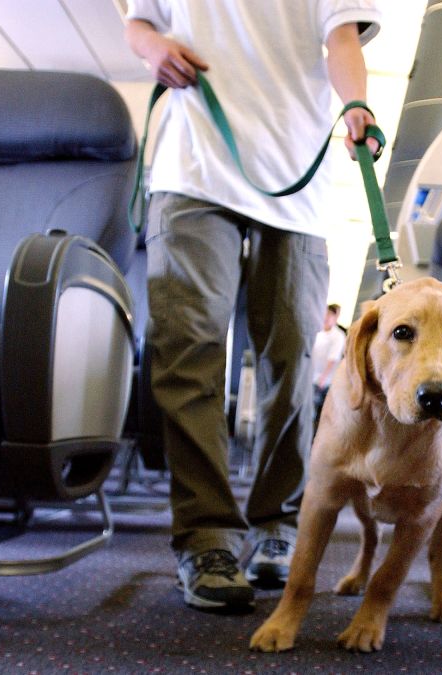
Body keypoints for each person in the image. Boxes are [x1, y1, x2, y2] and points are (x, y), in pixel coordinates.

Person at [123, 0, 382, 613]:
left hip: (297, 181)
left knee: (290, 362)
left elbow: (342, 39)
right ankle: (206, 537)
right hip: (193, 171)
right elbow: (139, 21)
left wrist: (357, 104)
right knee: (189, 354)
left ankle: (278, 527)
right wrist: (151, 49)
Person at [311, 303, 346, 426]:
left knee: (314, 410)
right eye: (325, 314)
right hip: (311, 376)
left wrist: (323, 378)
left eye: (329, 315)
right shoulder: (318, 330)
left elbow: (333, 359)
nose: (326, 317)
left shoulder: (338, 336)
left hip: (323, 381)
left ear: (335, 318)